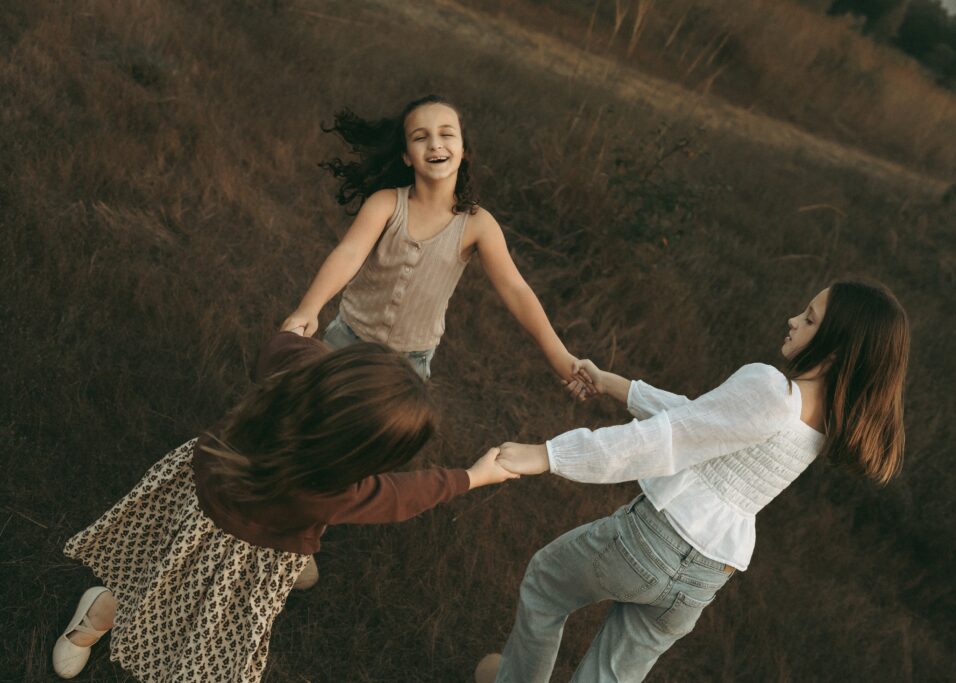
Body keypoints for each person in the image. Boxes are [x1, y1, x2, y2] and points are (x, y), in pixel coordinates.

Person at [478, 280, 910, 682]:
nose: (794, 320)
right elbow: (705, 419)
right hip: (703, 582)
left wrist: (549, 455)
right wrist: (619, 387)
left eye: (810, 318)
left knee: (545, 583)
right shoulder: (825, 426)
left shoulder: (770, 387)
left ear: (837, 350)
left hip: (649, 544)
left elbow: (666, 439)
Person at [53, 331, 517, 681]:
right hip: (243, 555)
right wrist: (473, 476)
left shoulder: (292, 380)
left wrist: (300, 327)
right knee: (176, 596)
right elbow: (401, 495)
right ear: (361, 455)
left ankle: (107, 610)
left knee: (158, 569)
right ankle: (98, 613)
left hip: (196, 509)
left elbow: (282, 346)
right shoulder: (334, 490)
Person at [280, 94, 585, 387]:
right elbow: (349, 254)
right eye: (420, 137)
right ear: (406, 156)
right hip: (347, 339)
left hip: (408, 363)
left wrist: (558, 354)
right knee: (314, 416)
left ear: (464, 149)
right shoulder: (386, 203)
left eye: (446, 134)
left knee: (370, 436)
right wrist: (309, 308)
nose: (435, 144)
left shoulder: (478, 224)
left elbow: (515, 289)